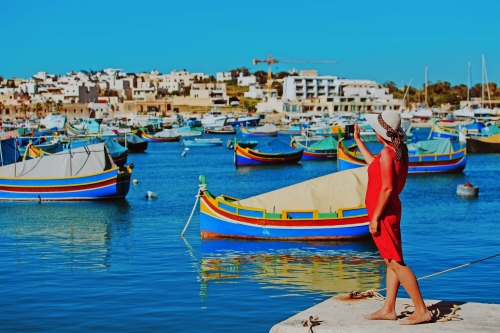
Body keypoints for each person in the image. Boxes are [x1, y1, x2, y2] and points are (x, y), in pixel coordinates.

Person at [353, 111, 432, 325]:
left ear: (382, 133)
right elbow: (374, 165)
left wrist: (375, 218)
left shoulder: (388, 153)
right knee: (391, 260)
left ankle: (421, 309)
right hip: (391, 210)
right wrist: (358, 141)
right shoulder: (395, 151)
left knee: (396, 262)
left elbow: (387, 189)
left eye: (374, 130)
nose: (372, 132)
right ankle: (389, 308)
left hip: (385, 213)